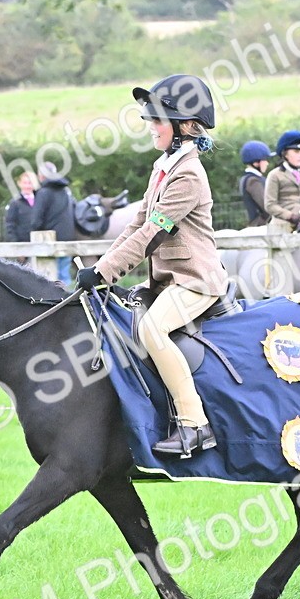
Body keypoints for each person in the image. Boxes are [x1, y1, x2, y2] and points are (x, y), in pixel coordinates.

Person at [75, 74, 229, 458]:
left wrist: (105, 273)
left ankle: (195, 425)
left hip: (196, 281)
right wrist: (100, 266)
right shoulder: (164, 167)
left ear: (183, 127)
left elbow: (153, 235)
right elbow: (135, 224)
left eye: (157, 121)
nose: (150, 128)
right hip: (167, 281)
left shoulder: (189, 175)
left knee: (152, 330)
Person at [264, 129, 300, 234]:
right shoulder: (275, 175)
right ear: (285, 154)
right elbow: (270, 205)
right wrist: (290, 216)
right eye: (296, 152)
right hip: (282, 226)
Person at [31, 161, 76, 284]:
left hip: (48, 241)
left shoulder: (43, 193)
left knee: (48, 278)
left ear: (41, 175)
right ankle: (69, 300)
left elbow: (36, 220)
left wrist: (34, 231)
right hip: (67, 237)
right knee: (64, 275)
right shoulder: (66, 191)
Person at [238, 140, 273, 227]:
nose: (267, 163)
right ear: (256, 162)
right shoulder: (253, 181)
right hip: (261, 226)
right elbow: (266, 206)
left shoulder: (251, 178)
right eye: (264, 160)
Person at [4, 171, 38, 244]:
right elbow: (10, 225)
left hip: (39, 242)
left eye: (30, 183)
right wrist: (15, 245)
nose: (27, 186)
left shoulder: (40, 201)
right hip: (22, 244)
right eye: (25, 183)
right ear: (19, 183)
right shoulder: (15, 203)